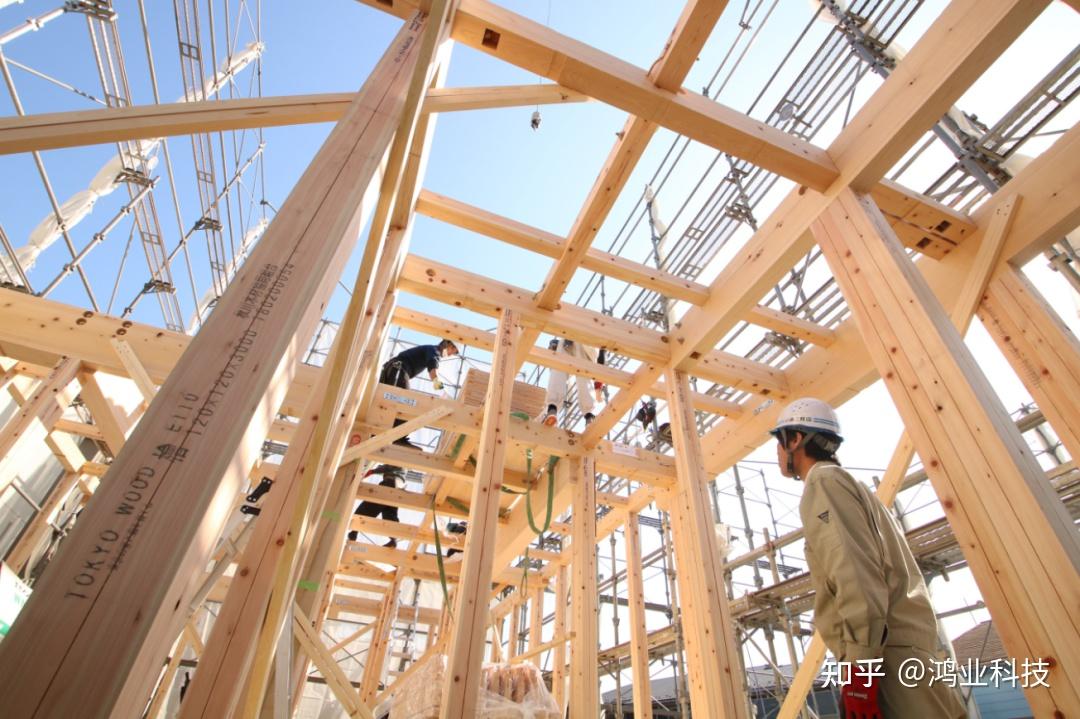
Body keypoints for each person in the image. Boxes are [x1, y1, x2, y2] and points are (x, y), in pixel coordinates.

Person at [770, 398, 966, 718]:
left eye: (779, 442)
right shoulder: (852, 486)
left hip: (886, 659)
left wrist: (860, 672)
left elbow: (855, 574)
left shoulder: (824, 482)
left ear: (795, 439)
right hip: (901, 655)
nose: (777, 453)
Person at [380, 339, 459, 446]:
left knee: (399, 403)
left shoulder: (429, 349)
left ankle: (394, 434)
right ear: (448, 345)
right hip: (398, 368)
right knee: (407, 403)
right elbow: (433, 371)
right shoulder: (434, 350)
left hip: (394, 369)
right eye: (453, 351)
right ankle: (397, 437)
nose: (451, 355)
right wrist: (440, 389)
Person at [540, 338, 604, 427]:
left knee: (564, 366)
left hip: (583, 341)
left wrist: (598, 387)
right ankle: (553, 409)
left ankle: (553, 408)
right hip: (573, 340)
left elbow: (601, 357)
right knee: (563, 367)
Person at [347, 465, 405, 548]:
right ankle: (393, 539)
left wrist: (372, 471)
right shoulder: (402, 469)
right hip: (398, 490)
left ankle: (354, 532)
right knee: (390, 514)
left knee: (369, 506)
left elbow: (387, 467)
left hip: (390, 484)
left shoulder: (398, 458)